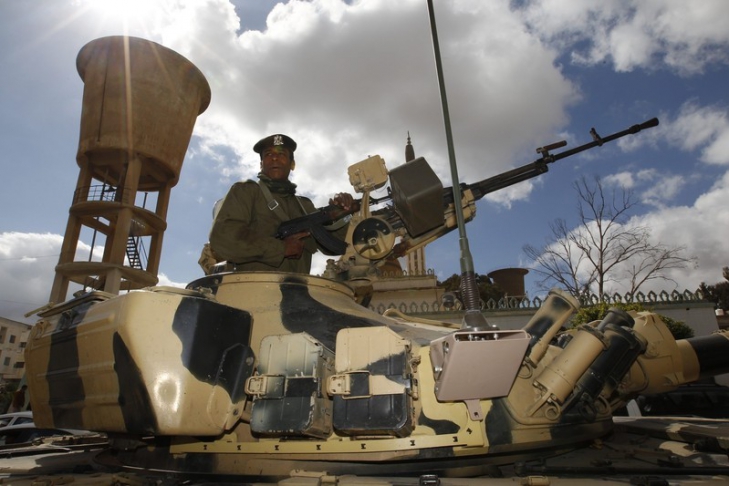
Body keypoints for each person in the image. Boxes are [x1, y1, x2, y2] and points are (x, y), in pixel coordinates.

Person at [207, 133, 353, 274]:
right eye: (268, 154)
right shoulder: (246, 192)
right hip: (254, 287)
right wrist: (280, 248)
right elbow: (223, 237)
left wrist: (341, 214)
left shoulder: (304, 205)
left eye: (281, 154)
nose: (274, 158)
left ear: (292, 164)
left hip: (298, 288)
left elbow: (336, 246)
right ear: (261, 164)